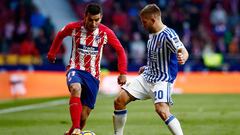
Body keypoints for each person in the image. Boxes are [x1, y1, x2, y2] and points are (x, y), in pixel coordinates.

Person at [47, 3, 127, 135]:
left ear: (101, 18)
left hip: (93, 75)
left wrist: (123, 72)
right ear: (85, 16)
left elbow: (120, 50)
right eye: (91, 20)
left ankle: (73, 131)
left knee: (83, 116)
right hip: (75, 69)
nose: (94, 23)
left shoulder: (105, 32)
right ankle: (77, 128)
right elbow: (60, 35)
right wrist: (52, 53)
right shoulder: (74, 28)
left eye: (97, 20)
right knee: (75, 88)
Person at [113, 4, 188, 135]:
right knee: (119, 101)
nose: (142, 25)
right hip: (147, 76)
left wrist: (182, 57)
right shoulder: (151, 34)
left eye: (144, 22)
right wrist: (147, 67)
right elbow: (157, 56)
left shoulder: (168, 34)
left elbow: (182, 49)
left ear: (153, 20)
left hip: (162, 80)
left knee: (162, 110)